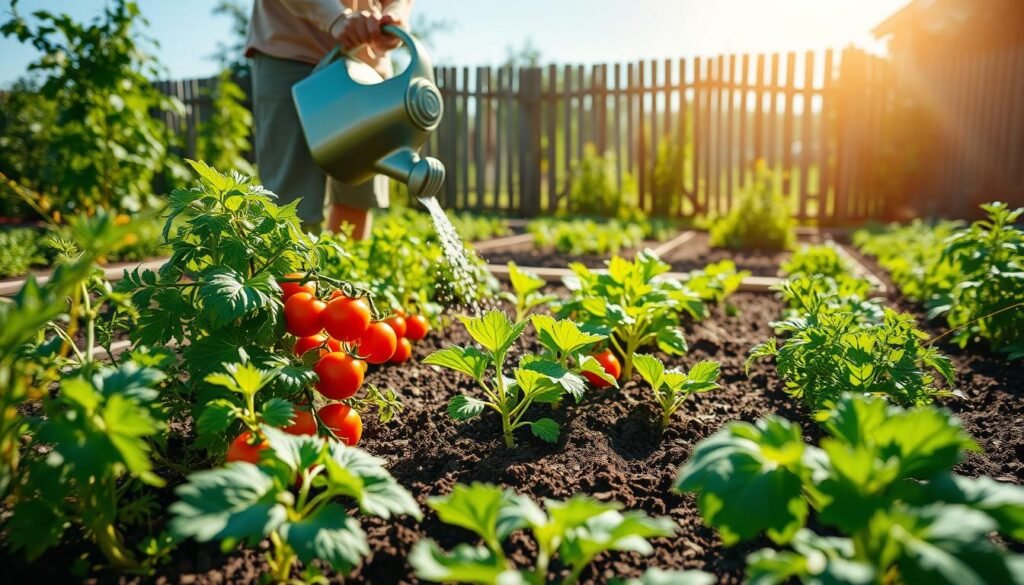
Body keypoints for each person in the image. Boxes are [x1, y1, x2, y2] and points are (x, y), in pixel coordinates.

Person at [245, 0, 414, 238]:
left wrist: (395, 14)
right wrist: (333, 17)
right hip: (292, 48)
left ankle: (339, 272)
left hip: (367, 61)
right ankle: (293, 275)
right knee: (290, 206)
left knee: (357, 197)